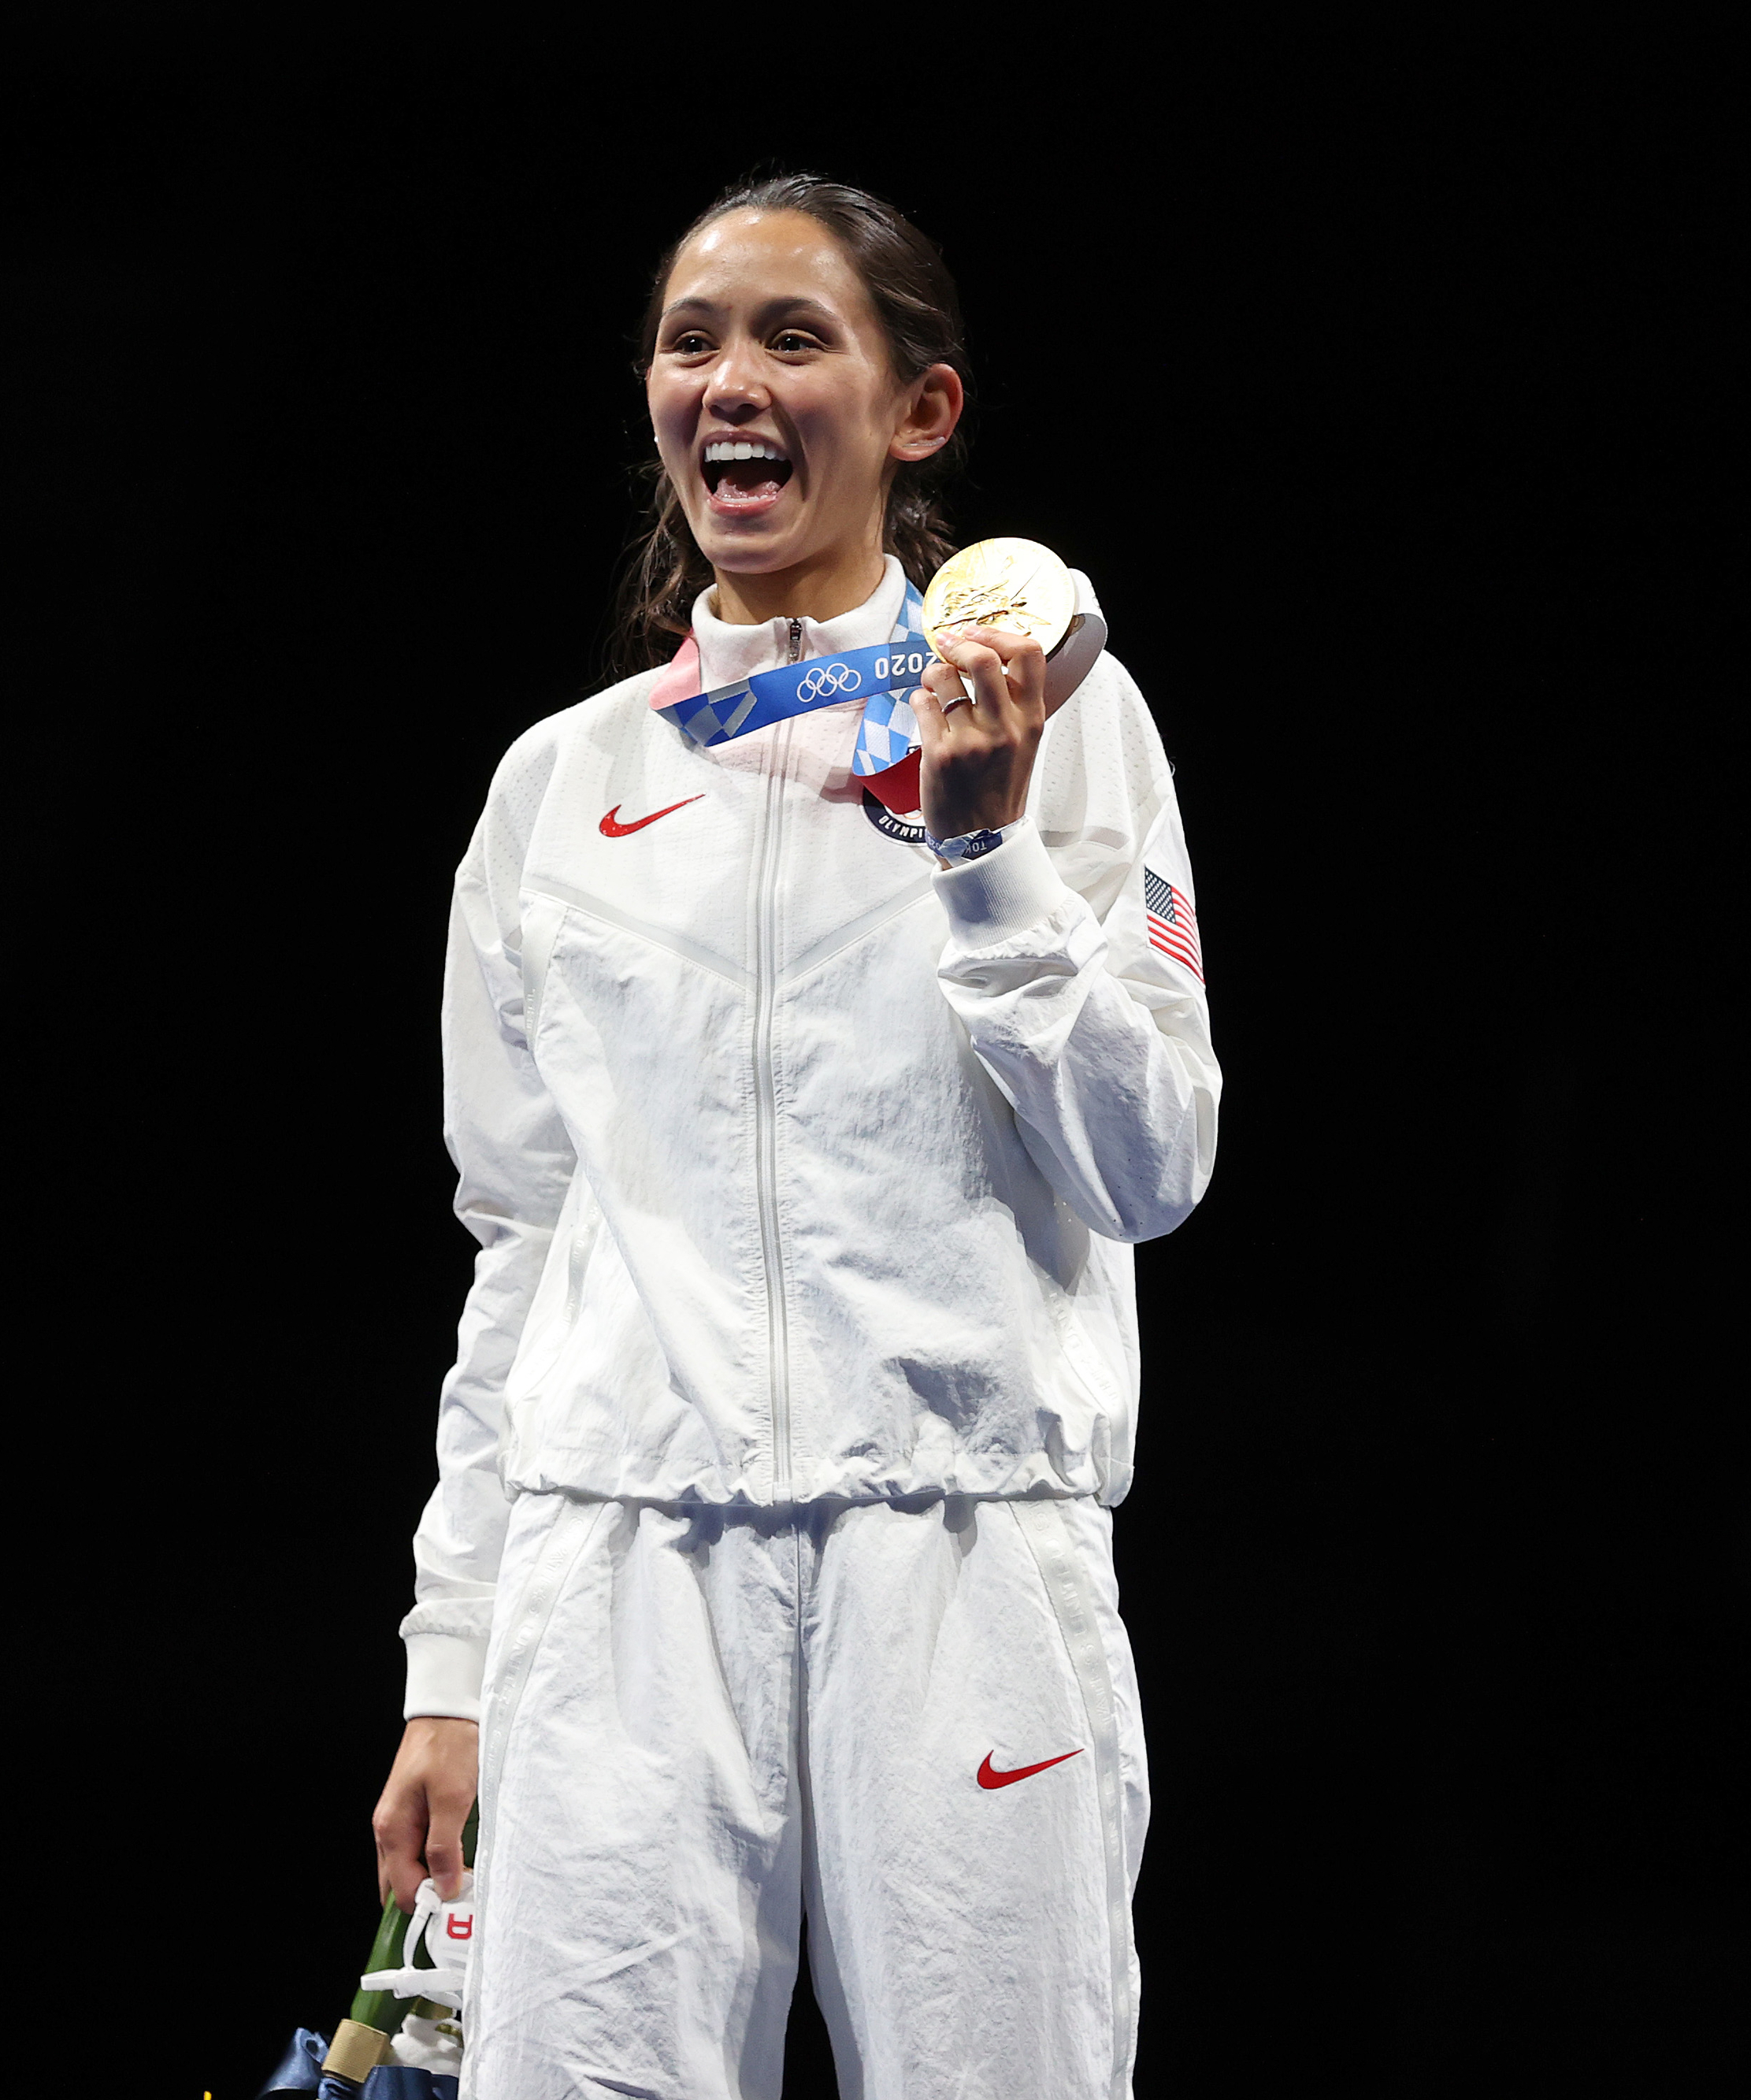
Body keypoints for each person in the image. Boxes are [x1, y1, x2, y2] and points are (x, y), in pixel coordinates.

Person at [365, 173, 1219, 2099]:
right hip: (615, 1563)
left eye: (790, 337)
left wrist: (982, 849)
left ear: (919, 411)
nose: (728, 380)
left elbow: (1152, 1162)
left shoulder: (1063, 721)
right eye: (691, 341)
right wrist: (452, 1653)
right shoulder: (558, 786)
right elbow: (520, 1243)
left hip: (966, 1545)